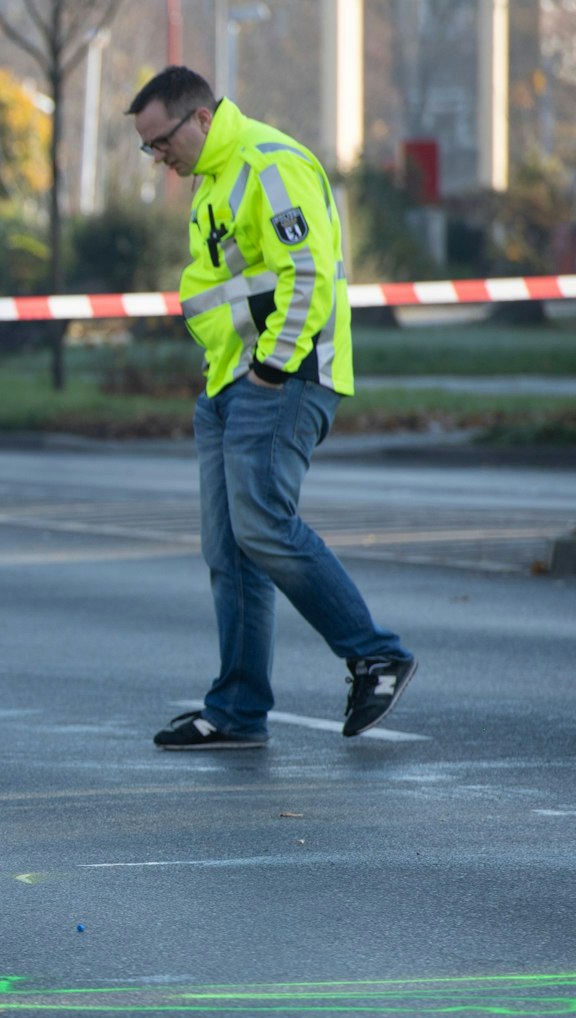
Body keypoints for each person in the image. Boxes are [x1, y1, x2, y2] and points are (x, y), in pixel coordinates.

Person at [128, 67, 416, 750]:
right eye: (147, 146)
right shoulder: (217, 182)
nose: (156, 155)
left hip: (283, 378)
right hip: (233, 385)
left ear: (199, 118)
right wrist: (227, 377)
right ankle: (236, 708)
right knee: (230, 550)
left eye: (159, 140)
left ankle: (375, 654)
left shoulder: (267, 163)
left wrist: (270, 367)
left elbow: (308, 275)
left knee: (261, 527)